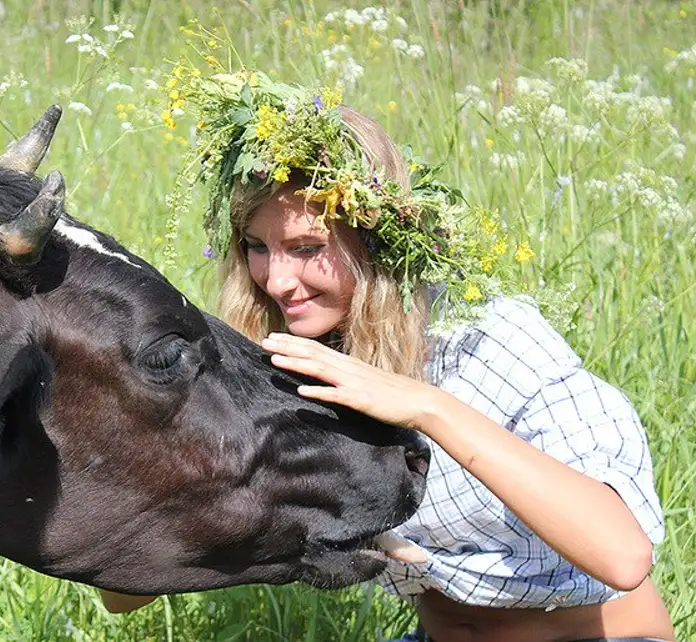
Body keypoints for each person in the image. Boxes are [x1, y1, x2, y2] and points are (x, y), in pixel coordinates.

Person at [100, 72, 674, 642]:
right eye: (256, 246)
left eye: (306, 248)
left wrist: (427, 407)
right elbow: (123, 593)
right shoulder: (285, 365)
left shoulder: (481, 340)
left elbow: (622, 555)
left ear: (374, 243)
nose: (276, 281)